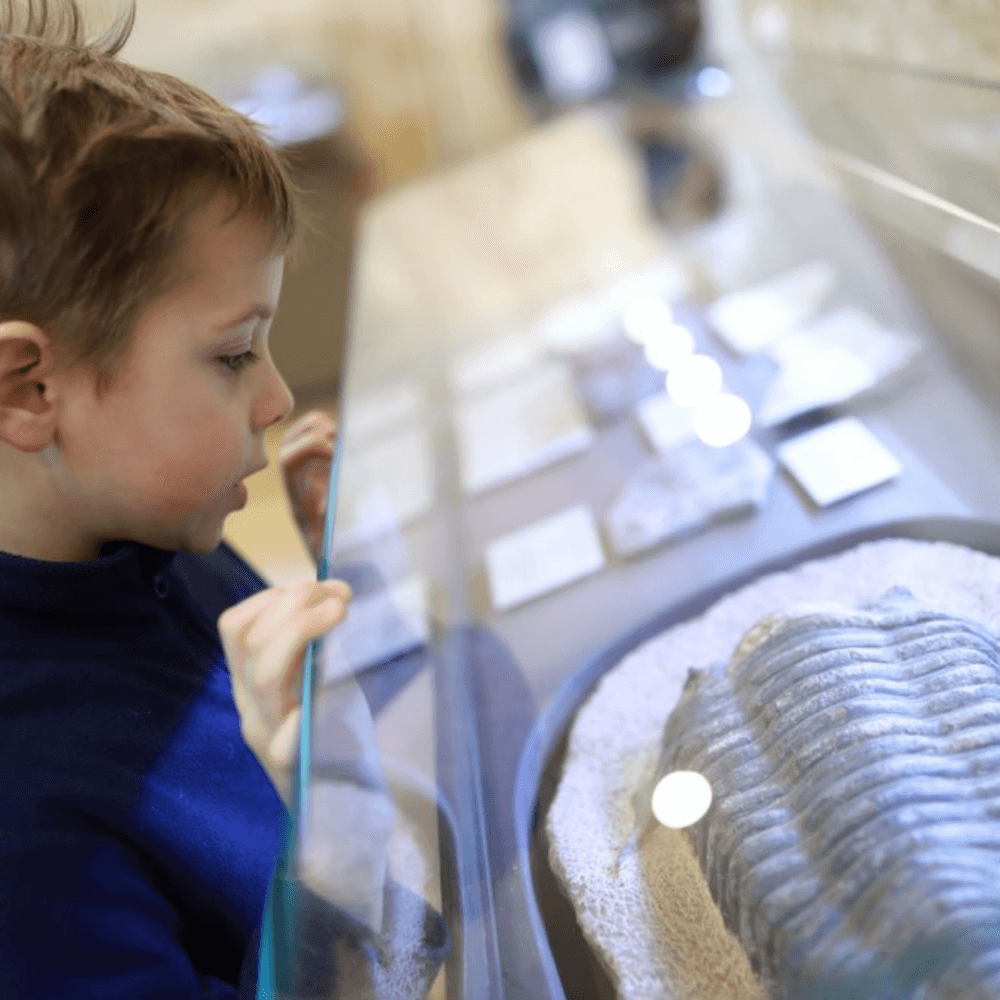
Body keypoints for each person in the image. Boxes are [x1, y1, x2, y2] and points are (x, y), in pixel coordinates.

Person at [0, 0, 353, 995]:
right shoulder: (24, 830)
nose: (279, 400)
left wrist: (347, 576)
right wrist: (328, 830)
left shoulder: (157, 530)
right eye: (234, 354)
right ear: (30, 387)